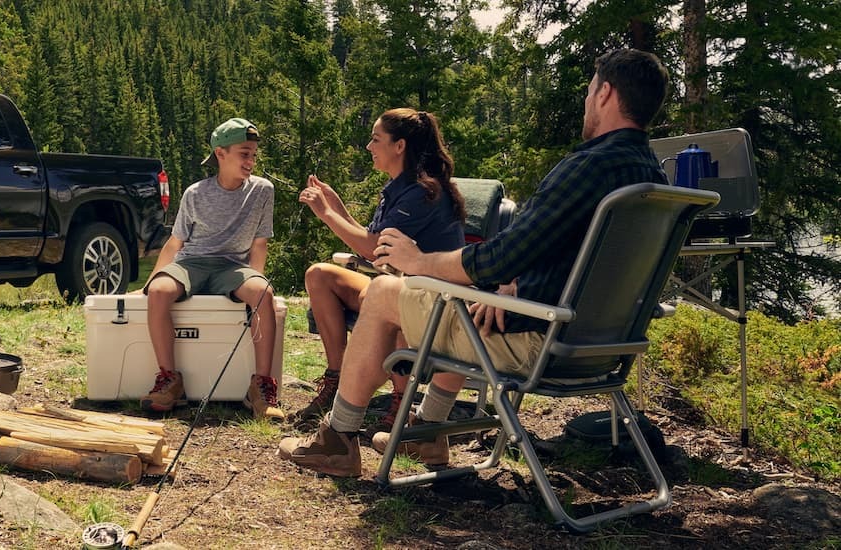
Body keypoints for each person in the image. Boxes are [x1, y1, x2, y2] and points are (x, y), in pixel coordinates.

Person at [279, 48, 671, 476]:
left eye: (591, 90)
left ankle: (338, 439)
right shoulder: (651, 176)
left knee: (384, 291)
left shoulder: (587, 167)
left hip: (535, 341)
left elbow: (498, 257)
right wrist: (517, 284)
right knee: (464, 301)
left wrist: (420, 260)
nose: (587, 100)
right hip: (600, 346)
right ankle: (427, 432)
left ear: (606, 94)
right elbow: (582, 257)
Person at [295, 108, 466, 426]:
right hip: (397, 284)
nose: (368, 146)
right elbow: (373, 241)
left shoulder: (422, 193)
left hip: (432, 299)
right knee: (319, 275)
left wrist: (326, 214)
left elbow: (372, 249)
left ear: (399, 146)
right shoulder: (399, 188)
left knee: (393, 301)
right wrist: (337, 207)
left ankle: (400, 402)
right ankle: (336, 380)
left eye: (376, 139)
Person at [140, 117, 284, 421]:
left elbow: (259, 244)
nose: (251, 161)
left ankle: (261, 388)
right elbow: (175, 243)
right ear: (221, 153)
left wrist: (257, 288)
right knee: (159, 292)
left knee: (263, 293)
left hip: (232, 266)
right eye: (244, 154)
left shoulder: (263, 190)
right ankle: (169, 380)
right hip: (191, 263)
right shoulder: (195, 193)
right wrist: (150, 283)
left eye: (253, 155)